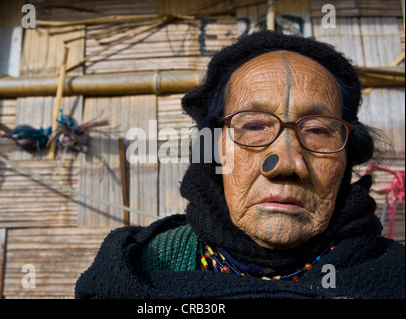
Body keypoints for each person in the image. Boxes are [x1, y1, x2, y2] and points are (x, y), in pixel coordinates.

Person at [75, 30, 405, 299]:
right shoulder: (141, 269)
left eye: (318, 131)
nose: (286, 165)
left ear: (348, 156)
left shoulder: (392, 276)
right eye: (253, 126)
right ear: (214, 148)